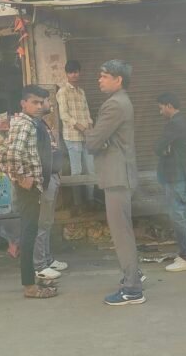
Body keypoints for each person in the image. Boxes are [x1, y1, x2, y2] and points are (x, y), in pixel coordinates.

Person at [84, 60, 144, 306]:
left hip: (116, 176)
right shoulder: (122, 101)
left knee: (121, 234)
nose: (100, 80)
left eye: (104, 76)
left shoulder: (114, 104)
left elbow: (92, 142)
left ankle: (132, 289)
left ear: (118, 80)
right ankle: (133, 274)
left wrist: (92, 135)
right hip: (121, 174)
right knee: (124, 230)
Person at [0, 85, 59, 299]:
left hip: (34, 186)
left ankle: (32, 279)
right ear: (23, 103)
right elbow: (11, 156)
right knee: (29, 233)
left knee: (31, 232)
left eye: (41, 103)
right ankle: (29, 286)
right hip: (29, 188)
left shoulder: (31, 123)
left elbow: (3, 153)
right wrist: (22, 178)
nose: (39, 106)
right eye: (34, 102)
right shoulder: (24, 124)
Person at [155, 92, 186, 272]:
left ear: (169, 105)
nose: (160, 112)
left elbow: (158, 146)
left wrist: (163, 149)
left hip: (173, 174)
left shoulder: (174, 124)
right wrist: (164, 148)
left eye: (161, 108)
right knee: (185, 213)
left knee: (177, 215)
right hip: (181, 173)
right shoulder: (183, 121)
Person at [33, 95, 67, 281]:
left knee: (47, 222)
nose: (49, 103)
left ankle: (47, 259)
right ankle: (40, 265)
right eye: (46, 100)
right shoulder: (33, 125)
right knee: (41, 223)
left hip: (52, 176)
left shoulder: (42, 123)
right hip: (44, 179)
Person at [56, 60, 95, 210]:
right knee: (77, 171)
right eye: (71, 72)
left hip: (86, 136)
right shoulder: (62, 92)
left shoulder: (81, 92)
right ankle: (78, 204)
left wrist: (90, 129)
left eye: (76, 72)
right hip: (72, 137)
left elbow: (87, 113)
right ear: (66, 74)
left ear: (80, 73)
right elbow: (64, 115)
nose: (74, 75)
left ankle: (91, 200)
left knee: (91, 169)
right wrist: (81, 128)